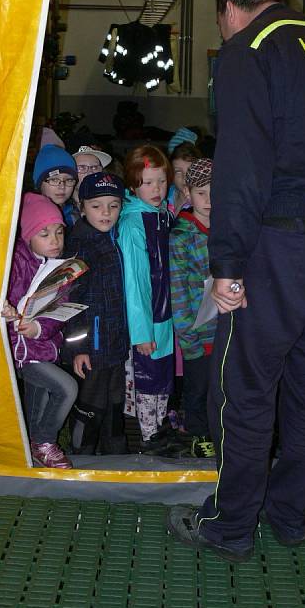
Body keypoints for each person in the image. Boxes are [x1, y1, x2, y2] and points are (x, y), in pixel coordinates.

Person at [167, 0, 305, 561]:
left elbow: (240, 166)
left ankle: (230, 525)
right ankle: (291, 516)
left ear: (229, 8)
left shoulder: (248, 48)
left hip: (283, 247)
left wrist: (228, 265)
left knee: (244, 389)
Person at [2, 193, 78, 468]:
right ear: (28, 236)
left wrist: (38, 328)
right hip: (19, 349)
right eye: (44, 234)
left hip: (40, 346)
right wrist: (7, 311)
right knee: (66, 388)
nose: (55, 241)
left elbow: (60, 309)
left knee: (38, 397)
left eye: (59, 232)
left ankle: (35, 446)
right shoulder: (16, 263)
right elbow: (2, 296)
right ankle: (45, 441)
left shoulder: (60, 268)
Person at [63, 172, 129, 455]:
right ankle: (82, 458)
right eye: (97, 206)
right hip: (92, 346)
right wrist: (79, 348)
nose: (106, 213)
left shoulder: (114, 239)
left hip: (115, 343)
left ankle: (117, 455)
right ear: (82, 207)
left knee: (115, 402)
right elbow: (70, 302)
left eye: (113, 205)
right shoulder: (79, 246)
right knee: (90, 406)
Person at [117, 145, 175, 448]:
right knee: (148, 377)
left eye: (162, 181)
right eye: (148, 183)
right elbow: (135, 284)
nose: (157, 189)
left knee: (162, 375)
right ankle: (149, 438)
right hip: (148, 318)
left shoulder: (161, 214)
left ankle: (159, 428)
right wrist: (141, 332)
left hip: (163, 314)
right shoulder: (133, 224)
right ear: (132, 185)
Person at [169, 158, 217, 457]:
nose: (209, 201)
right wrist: (188, 337)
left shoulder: (231, 229)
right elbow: (178, 291)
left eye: (216, 191)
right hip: (198, 332)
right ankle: (200, 435)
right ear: (188, 193)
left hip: (227, 327)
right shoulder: (181, 236)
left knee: (223, 387)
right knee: (198, 388)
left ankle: (222, 431)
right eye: (201, 193)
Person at [33, 144, 79, 227]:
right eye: (54, 180)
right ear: (39, 184)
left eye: (69, 180)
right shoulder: (28, 219)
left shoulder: (76, 216)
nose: (62, 186)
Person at [71, 145, 113, 212]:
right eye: (82, 167)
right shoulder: (62, 208)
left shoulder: (113, 202)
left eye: (95, 167)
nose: (90, 173)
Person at [167, 140, 202, 217]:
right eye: (178, 171)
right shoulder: (165, 194)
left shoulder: (202, 204)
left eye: (190, 170)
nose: (185, 177)